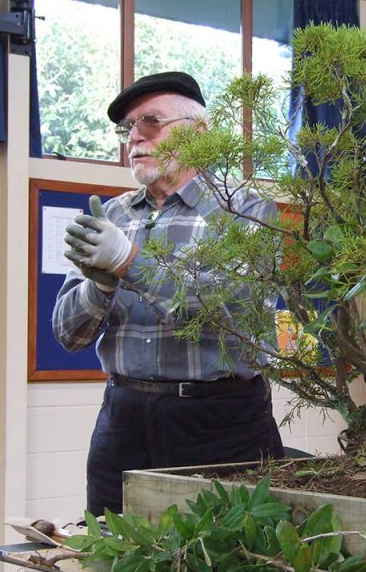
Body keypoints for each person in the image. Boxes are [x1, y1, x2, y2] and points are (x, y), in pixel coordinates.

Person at [52, 71, 285, 516]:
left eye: (151, 122)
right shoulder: (112, 215)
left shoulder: (245, 209)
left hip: (218, 422)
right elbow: (68, 334)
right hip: (122, 421)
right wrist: (101, 286)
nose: (134, 137)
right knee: (112, 551)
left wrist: (127, 262)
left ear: (199, 132)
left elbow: (223, 302)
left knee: (226, 553)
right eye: (128, 128)